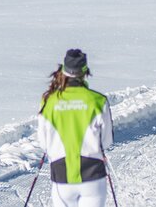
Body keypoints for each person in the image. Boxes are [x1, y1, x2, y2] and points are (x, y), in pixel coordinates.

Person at [36, 49, 114, 207]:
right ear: (85, 72)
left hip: (61, 173)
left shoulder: (48, 101)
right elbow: (106, 141)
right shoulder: (98, 100)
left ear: (63, 71)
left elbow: (44, 143)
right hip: (93, 174)